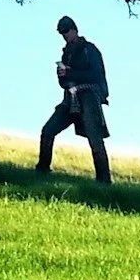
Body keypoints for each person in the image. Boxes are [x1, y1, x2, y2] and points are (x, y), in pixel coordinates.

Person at [38, 15, 112, 183]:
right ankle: (42, 170)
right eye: (61, 33)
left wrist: (71, 73)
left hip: (89, 98)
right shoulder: (66, 54)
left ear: (74, 30)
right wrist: (63, 75)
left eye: (66, 32)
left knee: (95, 139)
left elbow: (95, 74)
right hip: (70, 99)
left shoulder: (89, 49)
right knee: (48, 131)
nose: (64, 36)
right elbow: (63, 82)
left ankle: (104, 180)